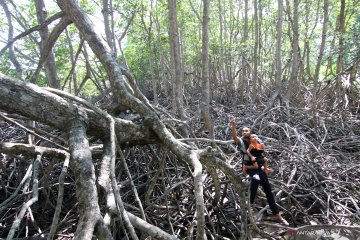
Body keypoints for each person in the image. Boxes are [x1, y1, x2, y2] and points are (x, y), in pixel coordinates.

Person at [230, 116, 289, 225]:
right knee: (256, 180)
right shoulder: (242, 142)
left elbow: (262, 153)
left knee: (269, 192)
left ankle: (277, 215)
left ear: (250, 132)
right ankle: (249, 205)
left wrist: (265, 167)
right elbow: (235, 138)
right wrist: (233, 126)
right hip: (250, 168)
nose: (244, 132)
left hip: (259, 168)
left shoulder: (256, 139)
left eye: (246, 130)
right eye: (242, 131)